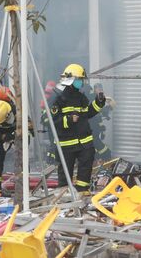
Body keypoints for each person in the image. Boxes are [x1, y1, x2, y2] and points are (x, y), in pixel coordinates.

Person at [51, 64, 105, 194]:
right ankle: (64, 196)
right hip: (66, 144)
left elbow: (88, 113)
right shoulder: (58, 98)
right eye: (79, 80)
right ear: (71, 79)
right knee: (65, 172)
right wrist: (68, 120)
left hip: (84, 141)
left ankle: (82, 191)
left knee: (86, 166)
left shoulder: (81, 97)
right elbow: (53, 121)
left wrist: (99, 102)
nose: (81, 83)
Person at [85, 83, 113, 161]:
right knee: (96, 142)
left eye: (101, 89)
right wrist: (107, 109)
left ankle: (97, 158)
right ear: (94, 89)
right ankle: (107, 155)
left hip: (95, 125)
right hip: (91, 125)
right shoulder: (91, 97)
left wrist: (102, 128)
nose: (101, 91)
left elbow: (99, 115)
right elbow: (96, 111)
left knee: (94, 143)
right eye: (99, 89)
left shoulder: (98, 97)